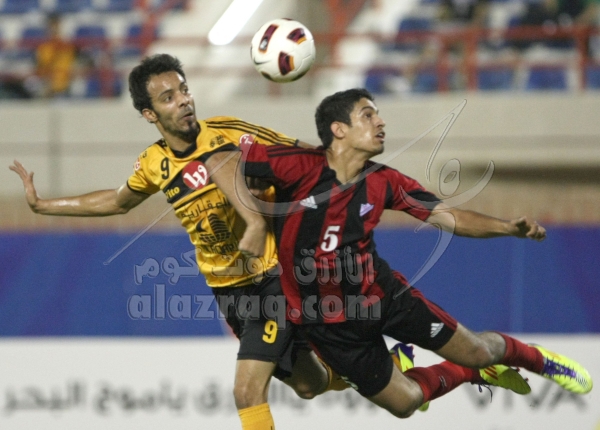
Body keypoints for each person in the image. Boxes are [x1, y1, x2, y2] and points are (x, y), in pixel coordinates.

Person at [9, 53, 351, 430]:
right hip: (228, 290)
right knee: (307, 384)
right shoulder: (154, 163)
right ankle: (368, 372)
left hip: (273, 275)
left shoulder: (231, 134)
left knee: (246, 392)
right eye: (168, 97)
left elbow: (308, 161)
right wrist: (44, 205)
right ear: (149, 114)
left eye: (184, 90)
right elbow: (119, 201)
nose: (184, 100)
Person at [227, 88, 593, 418]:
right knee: (405, 404)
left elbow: (450, 217)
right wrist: (252, 214)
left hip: (384, 298)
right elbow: (221, 161)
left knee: (479, 351)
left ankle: (539, 359)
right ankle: (468, 373)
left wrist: (507, 227)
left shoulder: (385, 181)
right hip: (328, 325)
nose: (380, 121)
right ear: (338, 129)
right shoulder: (297, 165)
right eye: (368, 115)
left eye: (378, 114)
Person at [35, 13, 77, 98]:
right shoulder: (43, 47)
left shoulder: (68, 46)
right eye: (51, 25)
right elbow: (41, 67)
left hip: (65, 85)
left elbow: (73, 65)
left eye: (56, 25)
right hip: (47, 85)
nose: (53, 28)